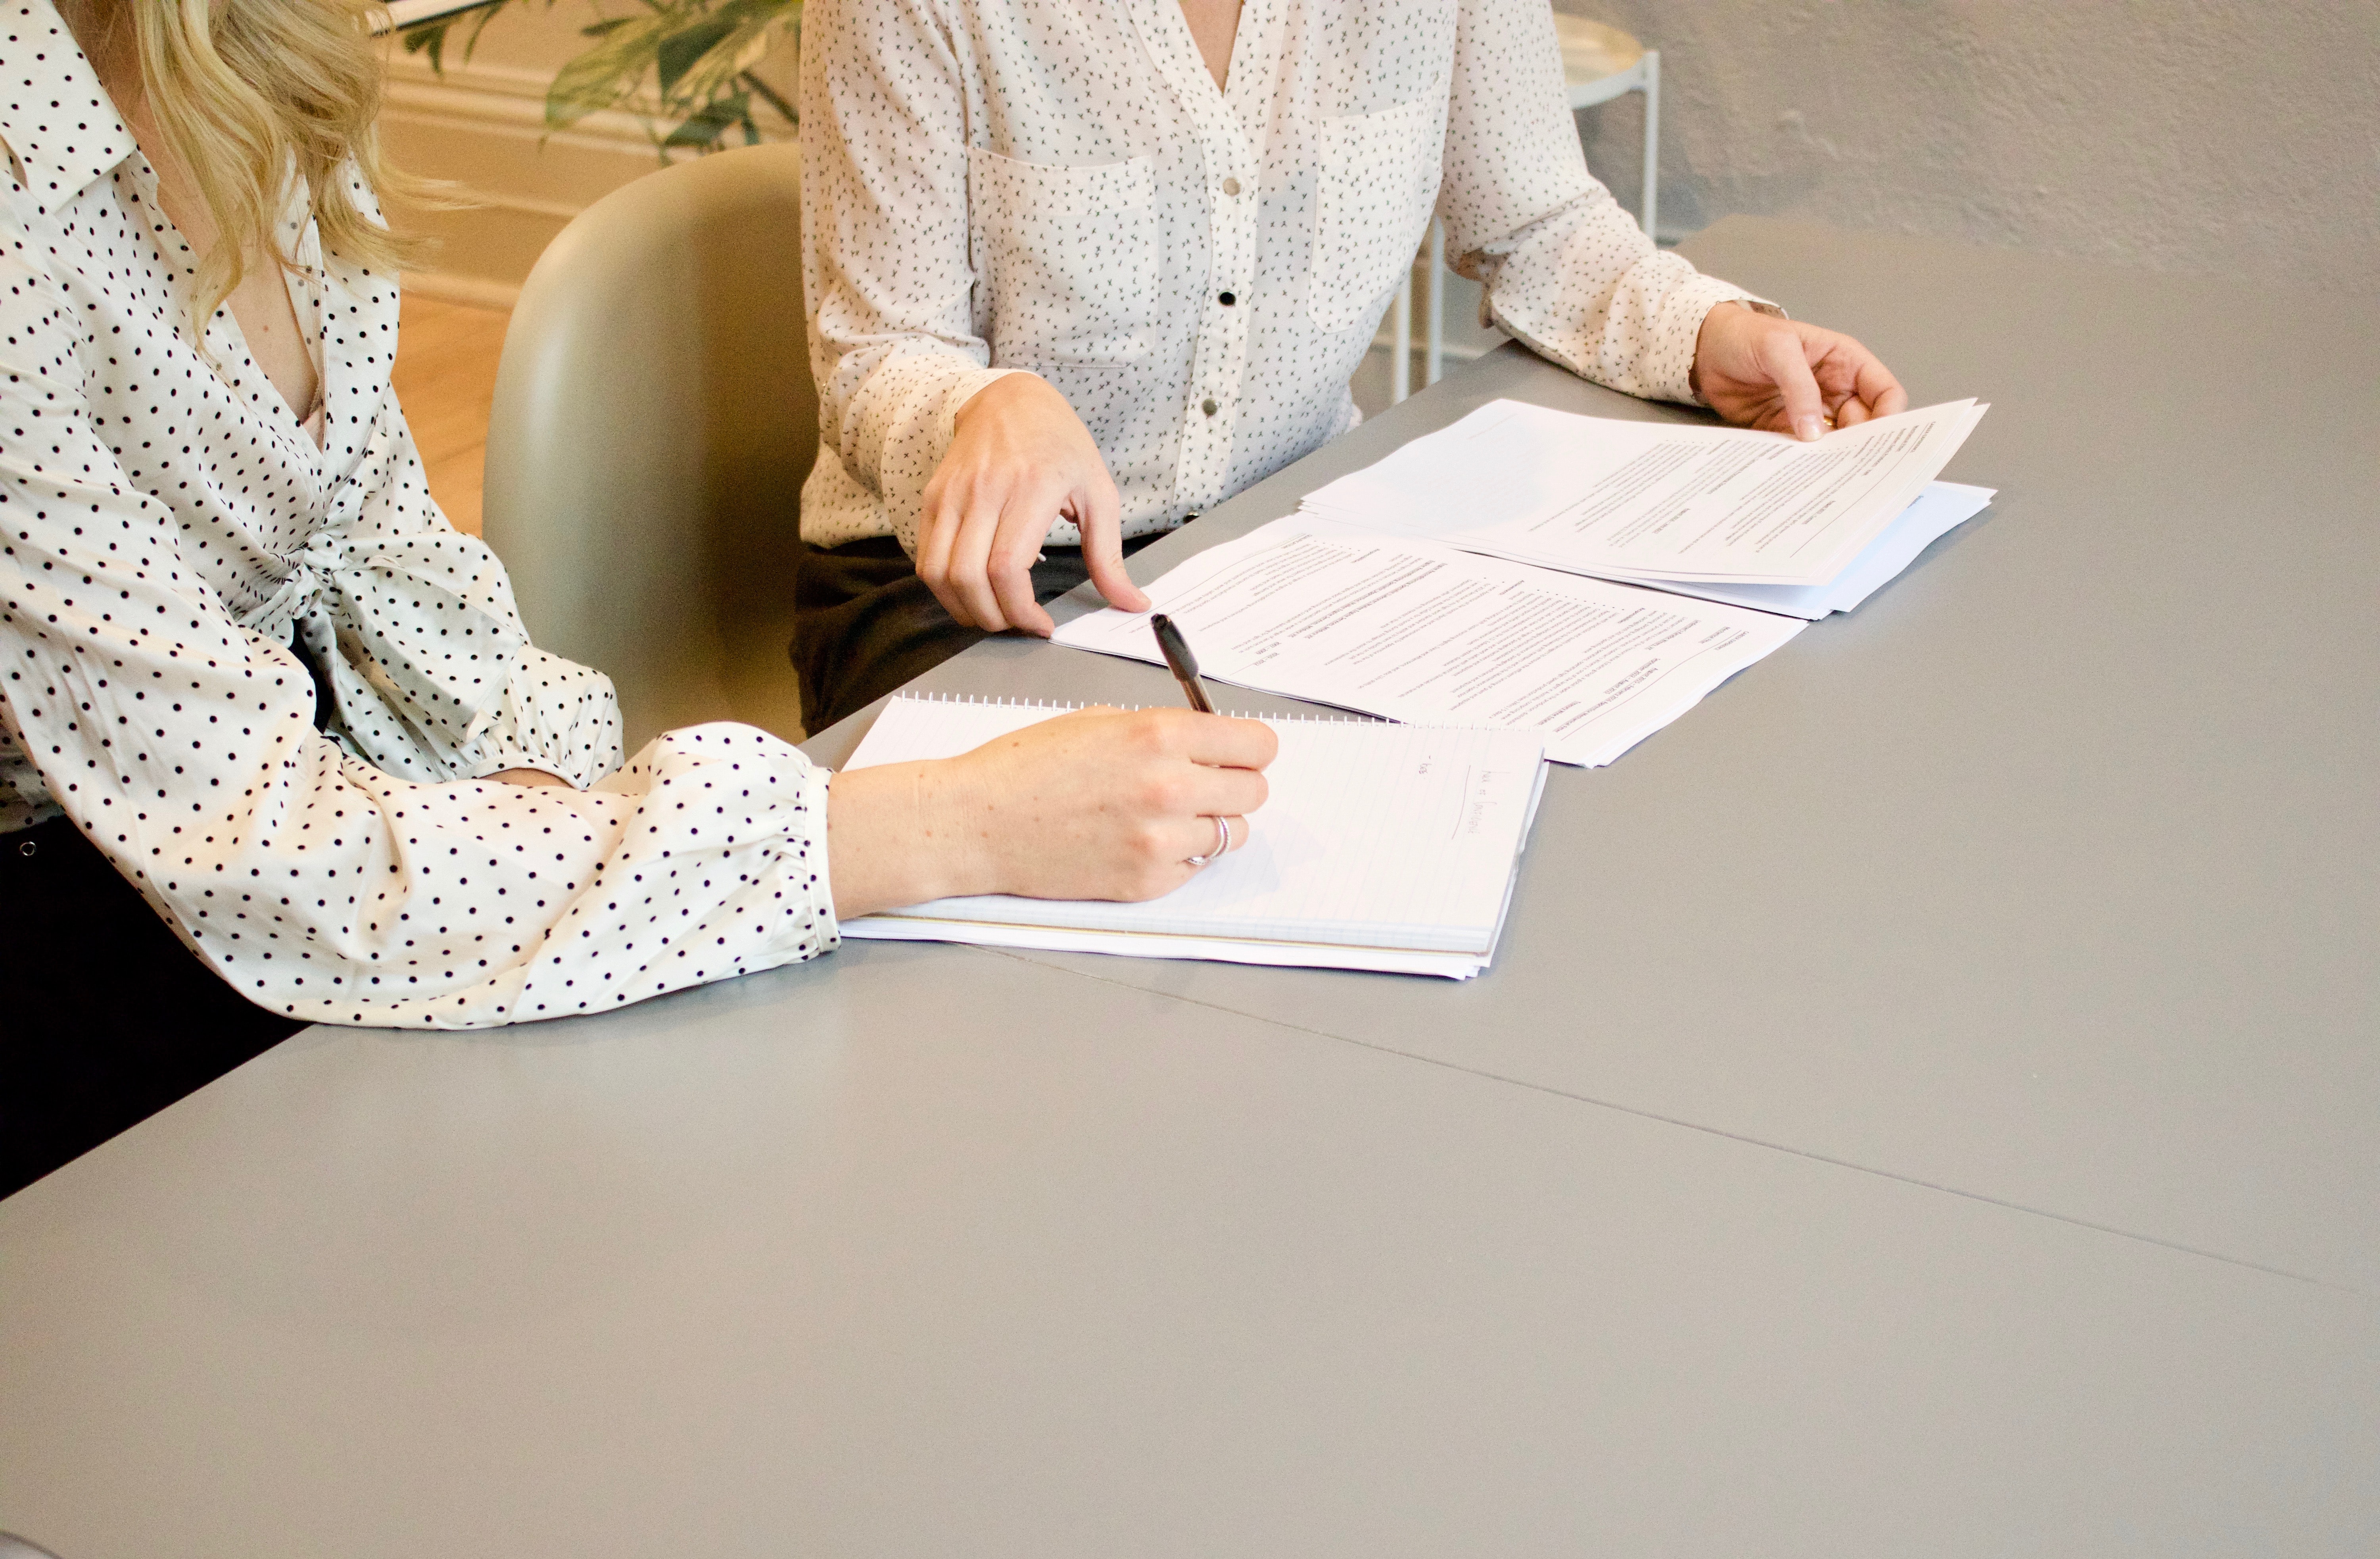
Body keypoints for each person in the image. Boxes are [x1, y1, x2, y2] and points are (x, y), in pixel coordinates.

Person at [0, 0, 1274, 1198]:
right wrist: (948, 828)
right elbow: (272, 853)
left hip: (316, 818)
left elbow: (385, 556)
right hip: (94, 926)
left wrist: (542, 792)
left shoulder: (259, 57)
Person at [793, 0, 1911, 730]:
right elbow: (877, 349)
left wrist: (1708, 334)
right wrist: (984, 407)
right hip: (966, 589)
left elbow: (1535, 221)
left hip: (1280, 551)